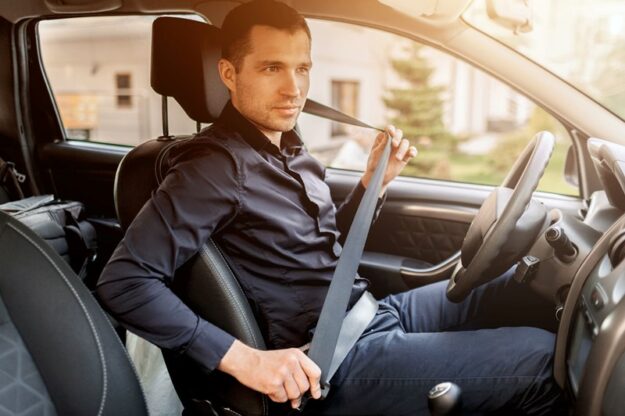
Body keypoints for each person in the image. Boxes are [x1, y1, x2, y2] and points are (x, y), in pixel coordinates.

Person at [96, 1, 567, 414]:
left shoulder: (288, 148)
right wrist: (248, 361)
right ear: (228, 74)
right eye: (271, 68)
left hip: (368, 313)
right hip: (334, 363)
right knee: (542, 359)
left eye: (302, 68)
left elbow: (317, 246)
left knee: (521, 284)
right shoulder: (212, 168)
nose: (293, 88)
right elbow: (124, 282)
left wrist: (373, 183)